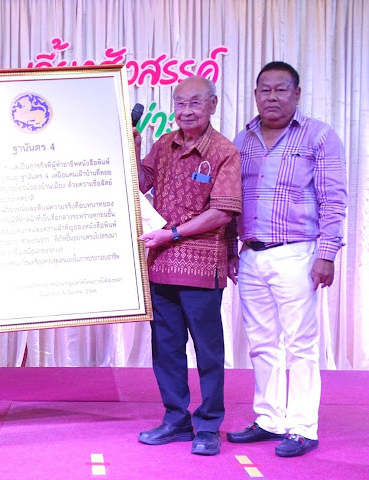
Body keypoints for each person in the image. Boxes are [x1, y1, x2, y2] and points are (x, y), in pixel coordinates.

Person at [226, 61, 347, 458]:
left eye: (281, 90)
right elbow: (228, 200)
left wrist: (326, 255)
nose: (272, 97)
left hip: (297, 253)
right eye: (265, 90)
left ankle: (302, 427)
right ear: (255, 95)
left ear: (297, 94)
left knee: (300, 344)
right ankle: (269, 418)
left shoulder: (319, 136)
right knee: (261, 343)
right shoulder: (242, 140)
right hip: (251, 254)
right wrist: (230, 250)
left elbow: (333, 200)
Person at [135, 76, 242, 456]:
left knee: (208, 352)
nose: (186, 111)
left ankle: (209, 425)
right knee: (166, 349)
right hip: (160, 263)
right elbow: (140, 183)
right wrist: (133, 148)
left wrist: (174, 233)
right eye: (180, 103)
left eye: (195, 103)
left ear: (212, 105)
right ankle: (175, 420)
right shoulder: (164, 144)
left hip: (201, 266)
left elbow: (223, 212)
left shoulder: (224, 151)